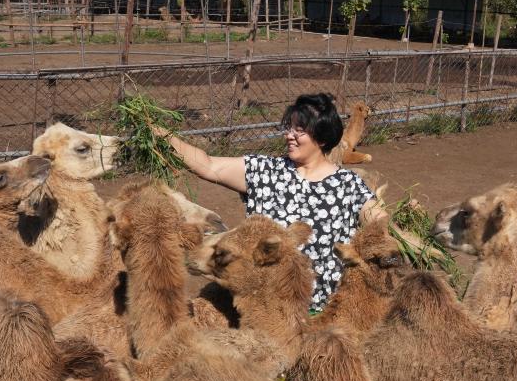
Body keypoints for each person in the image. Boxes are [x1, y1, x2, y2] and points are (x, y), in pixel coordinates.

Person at [153, 92, 373, 311]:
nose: (289, 135)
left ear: (322, 137)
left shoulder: (348, 184)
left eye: (300, 130)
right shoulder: (264, 171)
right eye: (289, 127)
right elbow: (208, 165)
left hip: (320, 312)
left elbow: (376, 218)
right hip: (261, 307)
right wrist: (161, 134)